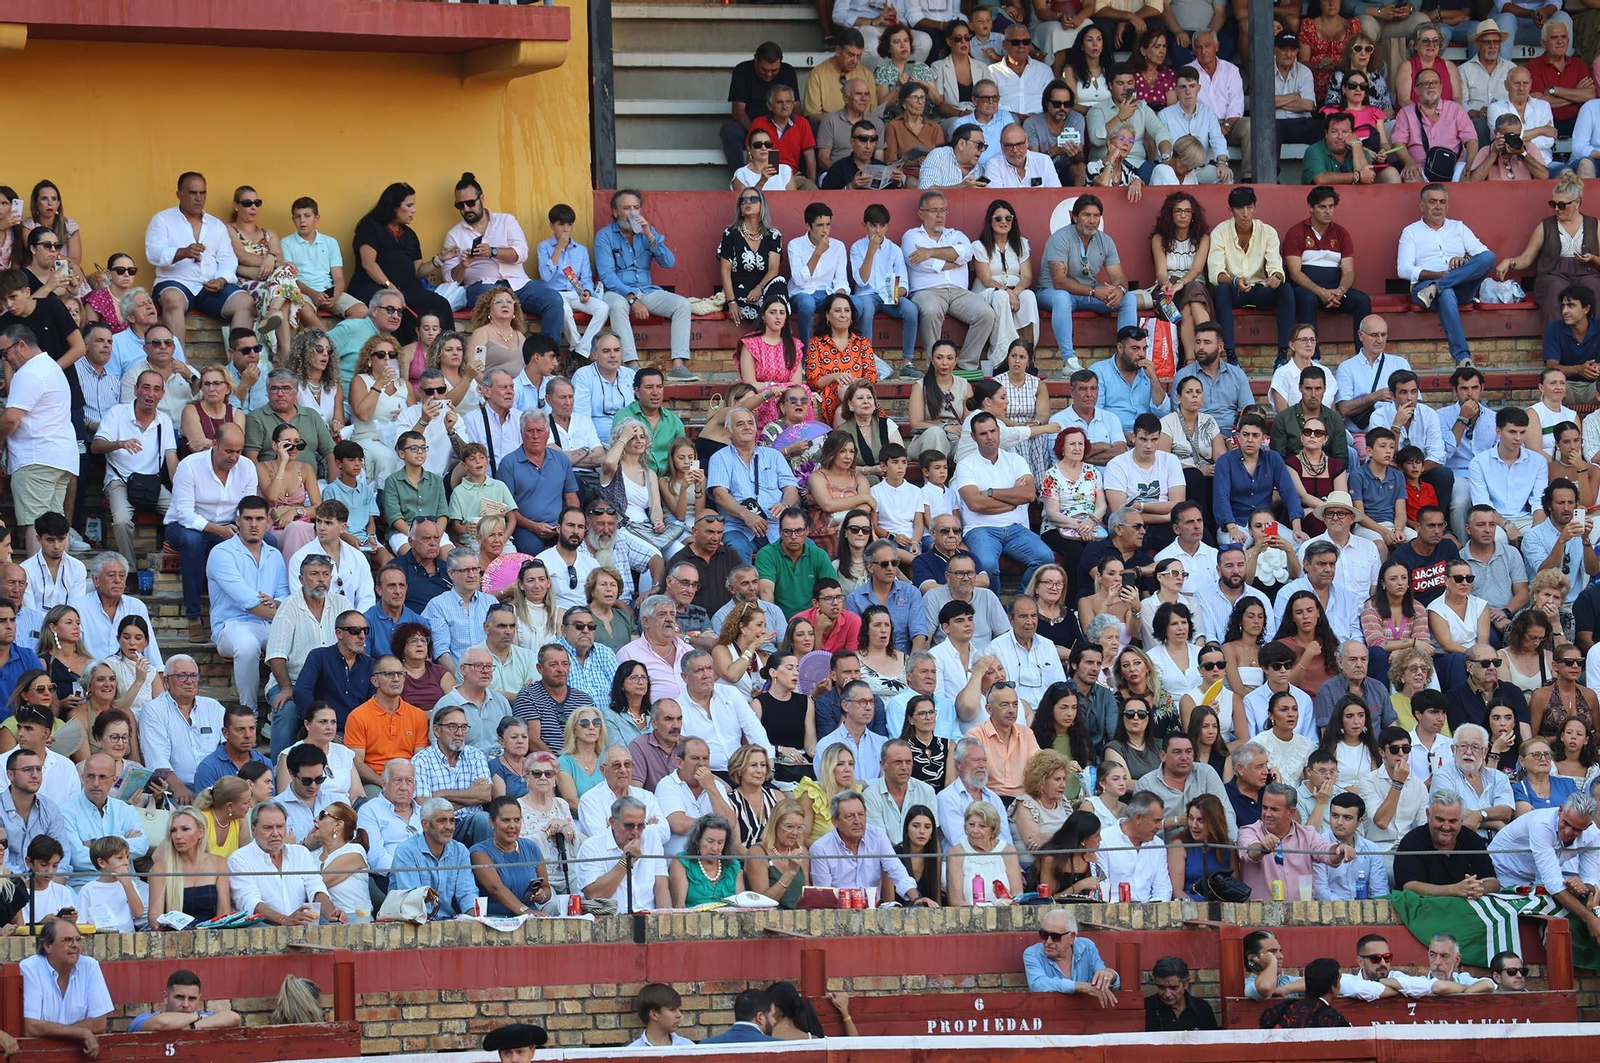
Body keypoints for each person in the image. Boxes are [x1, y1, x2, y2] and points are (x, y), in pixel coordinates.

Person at [144, 172, 252, 340]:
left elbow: (228, 258)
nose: (199, 198)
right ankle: (177, 357)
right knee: (172, 299)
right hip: (176, 283)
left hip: (210, 286)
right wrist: (182, 252)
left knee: (245, 302)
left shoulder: (216, 225)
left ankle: (239, 355)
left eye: (203, 193)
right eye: (193, 193)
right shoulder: (162, 220)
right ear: (179, 194)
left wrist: (221, 280)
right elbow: (153, 253)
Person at [1397, 184, 1496, 367]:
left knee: (1489, 257)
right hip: (1423, 290)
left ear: (1447, 206)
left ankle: (1437, 286)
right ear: (1422, 206)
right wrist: (1435, 275)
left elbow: (1483, 254)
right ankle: (1463, 358)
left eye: (1442, 202)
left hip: (1458, 287)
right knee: (1447, 292)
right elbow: (1403, 269)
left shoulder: (1458, 227)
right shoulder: (1411, 232)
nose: (1438, 206)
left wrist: (1465, 260)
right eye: (1432, 202)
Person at [1038, 195, 1140, 368]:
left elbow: (1118, 276)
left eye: (1096, 216)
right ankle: (1069, 361)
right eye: (1086, 215)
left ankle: (1128, 357)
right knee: (1062, 297)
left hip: (1087, 294)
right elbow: (1059, 282)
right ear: (1074, 216)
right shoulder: (1060, 238)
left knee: (1129, 298)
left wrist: (1120, 290)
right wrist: (1093, 292)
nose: (1092, 221)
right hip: (1052, 292)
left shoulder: (1105, 240)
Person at [902, 191, 994, 372]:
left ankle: (966, 365)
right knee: (931, 311)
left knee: (986, 314)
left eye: (943, 210)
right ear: (921, 213)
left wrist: (930, 252)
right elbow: (919, 263)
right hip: (927, 291)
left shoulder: (956, 234)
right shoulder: (912, 236)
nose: (940, 216)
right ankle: (935, 367)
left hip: (959, 292)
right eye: (934, 210)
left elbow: (966, 254)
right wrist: (951, 261)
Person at [1206, 185, 1293, 366]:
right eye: (1239, 208)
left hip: (1260, 289)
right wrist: (1235, 280)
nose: (1245, 214)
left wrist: (1276, 277)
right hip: (1233, 289)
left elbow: (1276, 267)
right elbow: (1215, 273)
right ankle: (1231, 356)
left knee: (1286, 289)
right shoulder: (1219, 232)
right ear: (1231, 210)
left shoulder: (1267, 232)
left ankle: (1283, 355)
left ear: (1255, 207)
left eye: (1249, 207)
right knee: (1221, 291)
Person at [227, 802, 345, 925]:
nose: (275, 833)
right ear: (253, 830)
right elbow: (249, 901)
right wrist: (283, 920)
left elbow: (316, 888)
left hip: (302, 931)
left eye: (280, 827)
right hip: (261, 934)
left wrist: (332, 914)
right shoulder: (240, 859)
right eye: (267, 828)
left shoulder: (300, 853)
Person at [1238, 782, 1353, 900]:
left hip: (1301, 910)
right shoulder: (1249, 831)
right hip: (1260, 911)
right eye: (1264, 808)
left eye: (1274, 809)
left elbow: (1326, 852)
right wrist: (1262, 848)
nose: (1267, 814)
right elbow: (1250, 852)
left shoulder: (1307, 835)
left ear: (1291, 813)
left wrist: (1340, 849)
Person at [1392, 788, 1500, 896]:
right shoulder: (1411, 841)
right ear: (1428, 814)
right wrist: (1454, 890)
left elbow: (1493, 882)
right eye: (1440, 820)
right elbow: (1409, 886)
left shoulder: (1472, 840)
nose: (1446, 827)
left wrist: (1476, 887)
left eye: (1453, 821)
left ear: (1461, 819)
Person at [386, 797, 476, 921]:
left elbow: (467, 892)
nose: (449, 827)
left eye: (452, 821)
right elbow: (411, 901)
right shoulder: (406, 851)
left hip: (447, 921)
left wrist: (475, 920)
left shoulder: (460, 851)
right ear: (425, 825)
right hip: (412, 923)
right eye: (442, 821)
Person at [1100, 789, 1172, 901]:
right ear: (1138, 817)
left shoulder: (1158, 844)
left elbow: (1163, 889)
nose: (1160, 826)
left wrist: (1151, 909)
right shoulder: (1104, 840)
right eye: (1156, 821)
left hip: (1150, 908)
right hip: (1112, 908)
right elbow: (1102, 887)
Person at [128, 969, 244, 1032]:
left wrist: (192, 1026)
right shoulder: (143, 1020)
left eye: (192, 998)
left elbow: (234, 1018)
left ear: (199, 998)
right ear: (166, 997)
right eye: (179, 997)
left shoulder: (204, 1017)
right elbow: (164, 1022)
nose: (185, 1004)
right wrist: (197, 1017)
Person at [1261, 957, 1350, 1029]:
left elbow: (1265, 1020)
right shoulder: (1332, 1018)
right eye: (1339, 981)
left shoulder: (1284, 1007)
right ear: (1333, 988)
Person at [1145, 955, 1217, 1031]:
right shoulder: (1146, 1008)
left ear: (1186, 984)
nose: (1167, 994)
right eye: (1161, 987)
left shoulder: (1202, 1008)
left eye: (1173, 988)